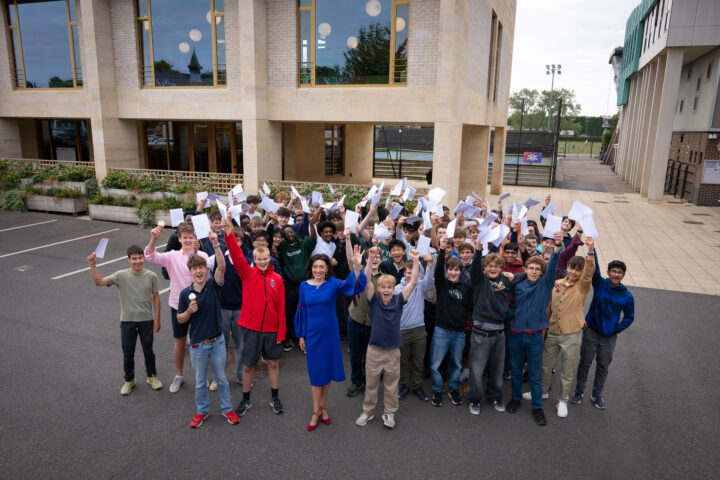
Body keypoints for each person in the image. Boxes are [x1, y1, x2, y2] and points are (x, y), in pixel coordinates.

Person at [295, 245, 367, 431]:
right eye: (315, 266)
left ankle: (322, 407)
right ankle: (315, 411)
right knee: (315, 373)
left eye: (322, 267)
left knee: (326, 371)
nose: (318, 270)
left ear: (327, 268)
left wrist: (357, 267)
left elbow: (354, 287)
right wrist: (301, 335)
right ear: (311, 268)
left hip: (330, 334)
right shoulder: (304, 286)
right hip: (312, 334)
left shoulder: (333, 283)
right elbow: (301, 310)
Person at [177, 228, 240, 428]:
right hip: (197, 345)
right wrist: (188, 312)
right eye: (195, 269)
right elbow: (179, 319)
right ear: (190, 272)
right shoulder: (185, 294)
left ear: (206, 269)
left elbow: (222, 266)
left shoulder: (213, 286)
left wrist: (215, 245)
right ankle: (202, 411)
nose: (198, 271)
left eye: (201, 268)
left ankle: (227, 408)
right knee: (200, 382)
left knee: (222, 379)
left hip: (218, 342)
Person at [224, 215, 286, 417]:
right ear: (254, 260)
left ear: (270, 258)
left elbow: (281, 308)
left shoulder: (277, 279)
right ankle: (246, 399)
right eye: (259, 259)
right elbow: (236, 255)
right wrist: (229, 233)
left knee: (272, 363)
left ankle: (275, 397)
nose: (262, 262)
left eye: (265, 258)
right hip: (251, 328)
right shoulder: (247, 274)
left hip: (272, 329)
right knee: (248, 365)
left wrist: (281, 332)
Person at [355, 247, 421, 430]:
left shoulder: (398, 300)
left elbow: (413, 282)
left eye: (389, 287)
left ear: (393, 289)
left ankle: (389, 413)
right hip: (374, 349)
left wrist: (416, 261)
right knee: (371, 384)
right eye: (383, 287)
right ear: (378, 289)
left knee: (391, 385)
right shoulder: (374, 301)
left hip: (393, 350)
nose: (386, 290)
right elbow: (366, 280)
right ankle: (367, 411)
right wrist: (370, 259)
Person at [145, 223, 212, 393]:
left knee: (201, 342)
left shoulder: (203, 255)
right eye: (185, 237)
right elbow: (150, 256)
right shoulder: (172, 256)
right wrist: (153, 239)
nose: (188, 240)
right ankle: (179, 375)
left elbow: (210, 278)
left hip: (201, 306)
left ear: (194, 238)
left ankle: (201, 376)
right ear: (179, 239)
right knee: (180, 341)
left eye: (191, 237)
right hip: (178, 305)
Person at [505, 231, 562, 426]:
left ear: (541, 271)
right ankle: (515, 398)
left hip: (535, 336)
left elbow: (553, 267)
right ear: (526, 269)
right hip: (516, 334)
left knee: (536, 374)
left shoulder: (545, 285)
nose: (534, 271)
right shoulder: (518, 285)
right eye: (531, 268)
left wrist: (557, 246)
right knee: (515, 369)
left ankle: (537, 407)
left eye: (538, 269)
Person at [87, 245, 162, 395]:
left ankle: (151, 377)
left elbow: (156, 298)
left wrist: (157, 320)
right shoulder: (121, 275)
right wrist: (93, 265)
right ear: (128, 260)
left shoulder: (151, 276)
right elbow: (99, 282)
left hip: (146, 320)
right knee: (128, 352)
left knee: (148, 351)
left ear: (143, 258)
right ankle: (129, 380)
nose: (137, 261)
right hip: (127, 321)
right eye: (134, 259)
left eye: (140, 258)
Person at [534, 237, 595, 418]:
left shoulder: (583, 286)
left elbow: (589, 273)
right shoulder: (557, 283)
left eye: (578, 269)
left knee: (567, 371)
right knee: (544, 366)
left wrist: (590, 252)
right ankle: (542, 392)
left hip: (571, 334)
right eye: (571, 268)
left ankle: (562, 400)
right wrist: (544, 328)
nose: (573, 272)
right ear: (567, 267)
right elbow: (549, 308)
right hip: (553, 331)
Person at [570, 253, 635, 410]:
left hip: (609, 337)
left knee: (603, 366)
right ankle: (579, 391)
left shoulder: (627, 296)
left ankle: (597, 394)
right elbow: (595, 268)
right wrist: (592, 251)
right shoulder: (600, 283)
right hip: (591, 331)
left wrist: (616, 329)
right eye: (613, 271)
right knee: (585, 363)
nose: (616, 274)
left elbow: (629, 317)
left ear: (623, 275)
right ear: (608, 272)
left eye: (619, 272)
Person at [467, 250, 518, 415]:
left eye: (496, 266)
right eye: (489, 266)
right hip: (480, 334)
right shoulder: (480, 280)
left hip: (499, 333)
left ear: (502, 268)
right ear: (484, 268)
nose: (493, 268)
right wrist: (478, 250)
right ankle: (475, 399)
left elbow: (525, 275)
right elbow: (475, 267)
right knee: (477, 370)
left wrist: (511, 274)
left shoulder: (506, 280)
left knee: (497, 370)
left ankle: (495, 397)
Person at [429, 237, 473, 407]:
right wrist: (441, 250)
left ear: (461, 271)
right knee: (436, 364)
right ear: (447, 271)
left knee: (457, 363)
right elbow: (438, 269)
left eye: (456, 270)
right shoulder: (442, 285)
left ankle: (454, 389)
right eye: (451, 269)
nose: (453, 272)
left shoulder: (466, 288)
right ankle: (437, 390)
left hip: (459, 332)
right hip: (442, 330)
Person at [396, 252, 435, 402]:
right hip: (402, 330)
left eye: (414, 272)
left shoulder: (421, 285)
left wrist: (429, 264)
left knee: (419, 361)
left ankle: (417, 386)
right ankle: (404, 385)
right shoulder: (397, 289)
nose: (411, 275)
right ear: (404, 273)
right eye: (408, 272)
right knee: (403, 361)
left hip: (419, 329)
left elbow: (430, 280)